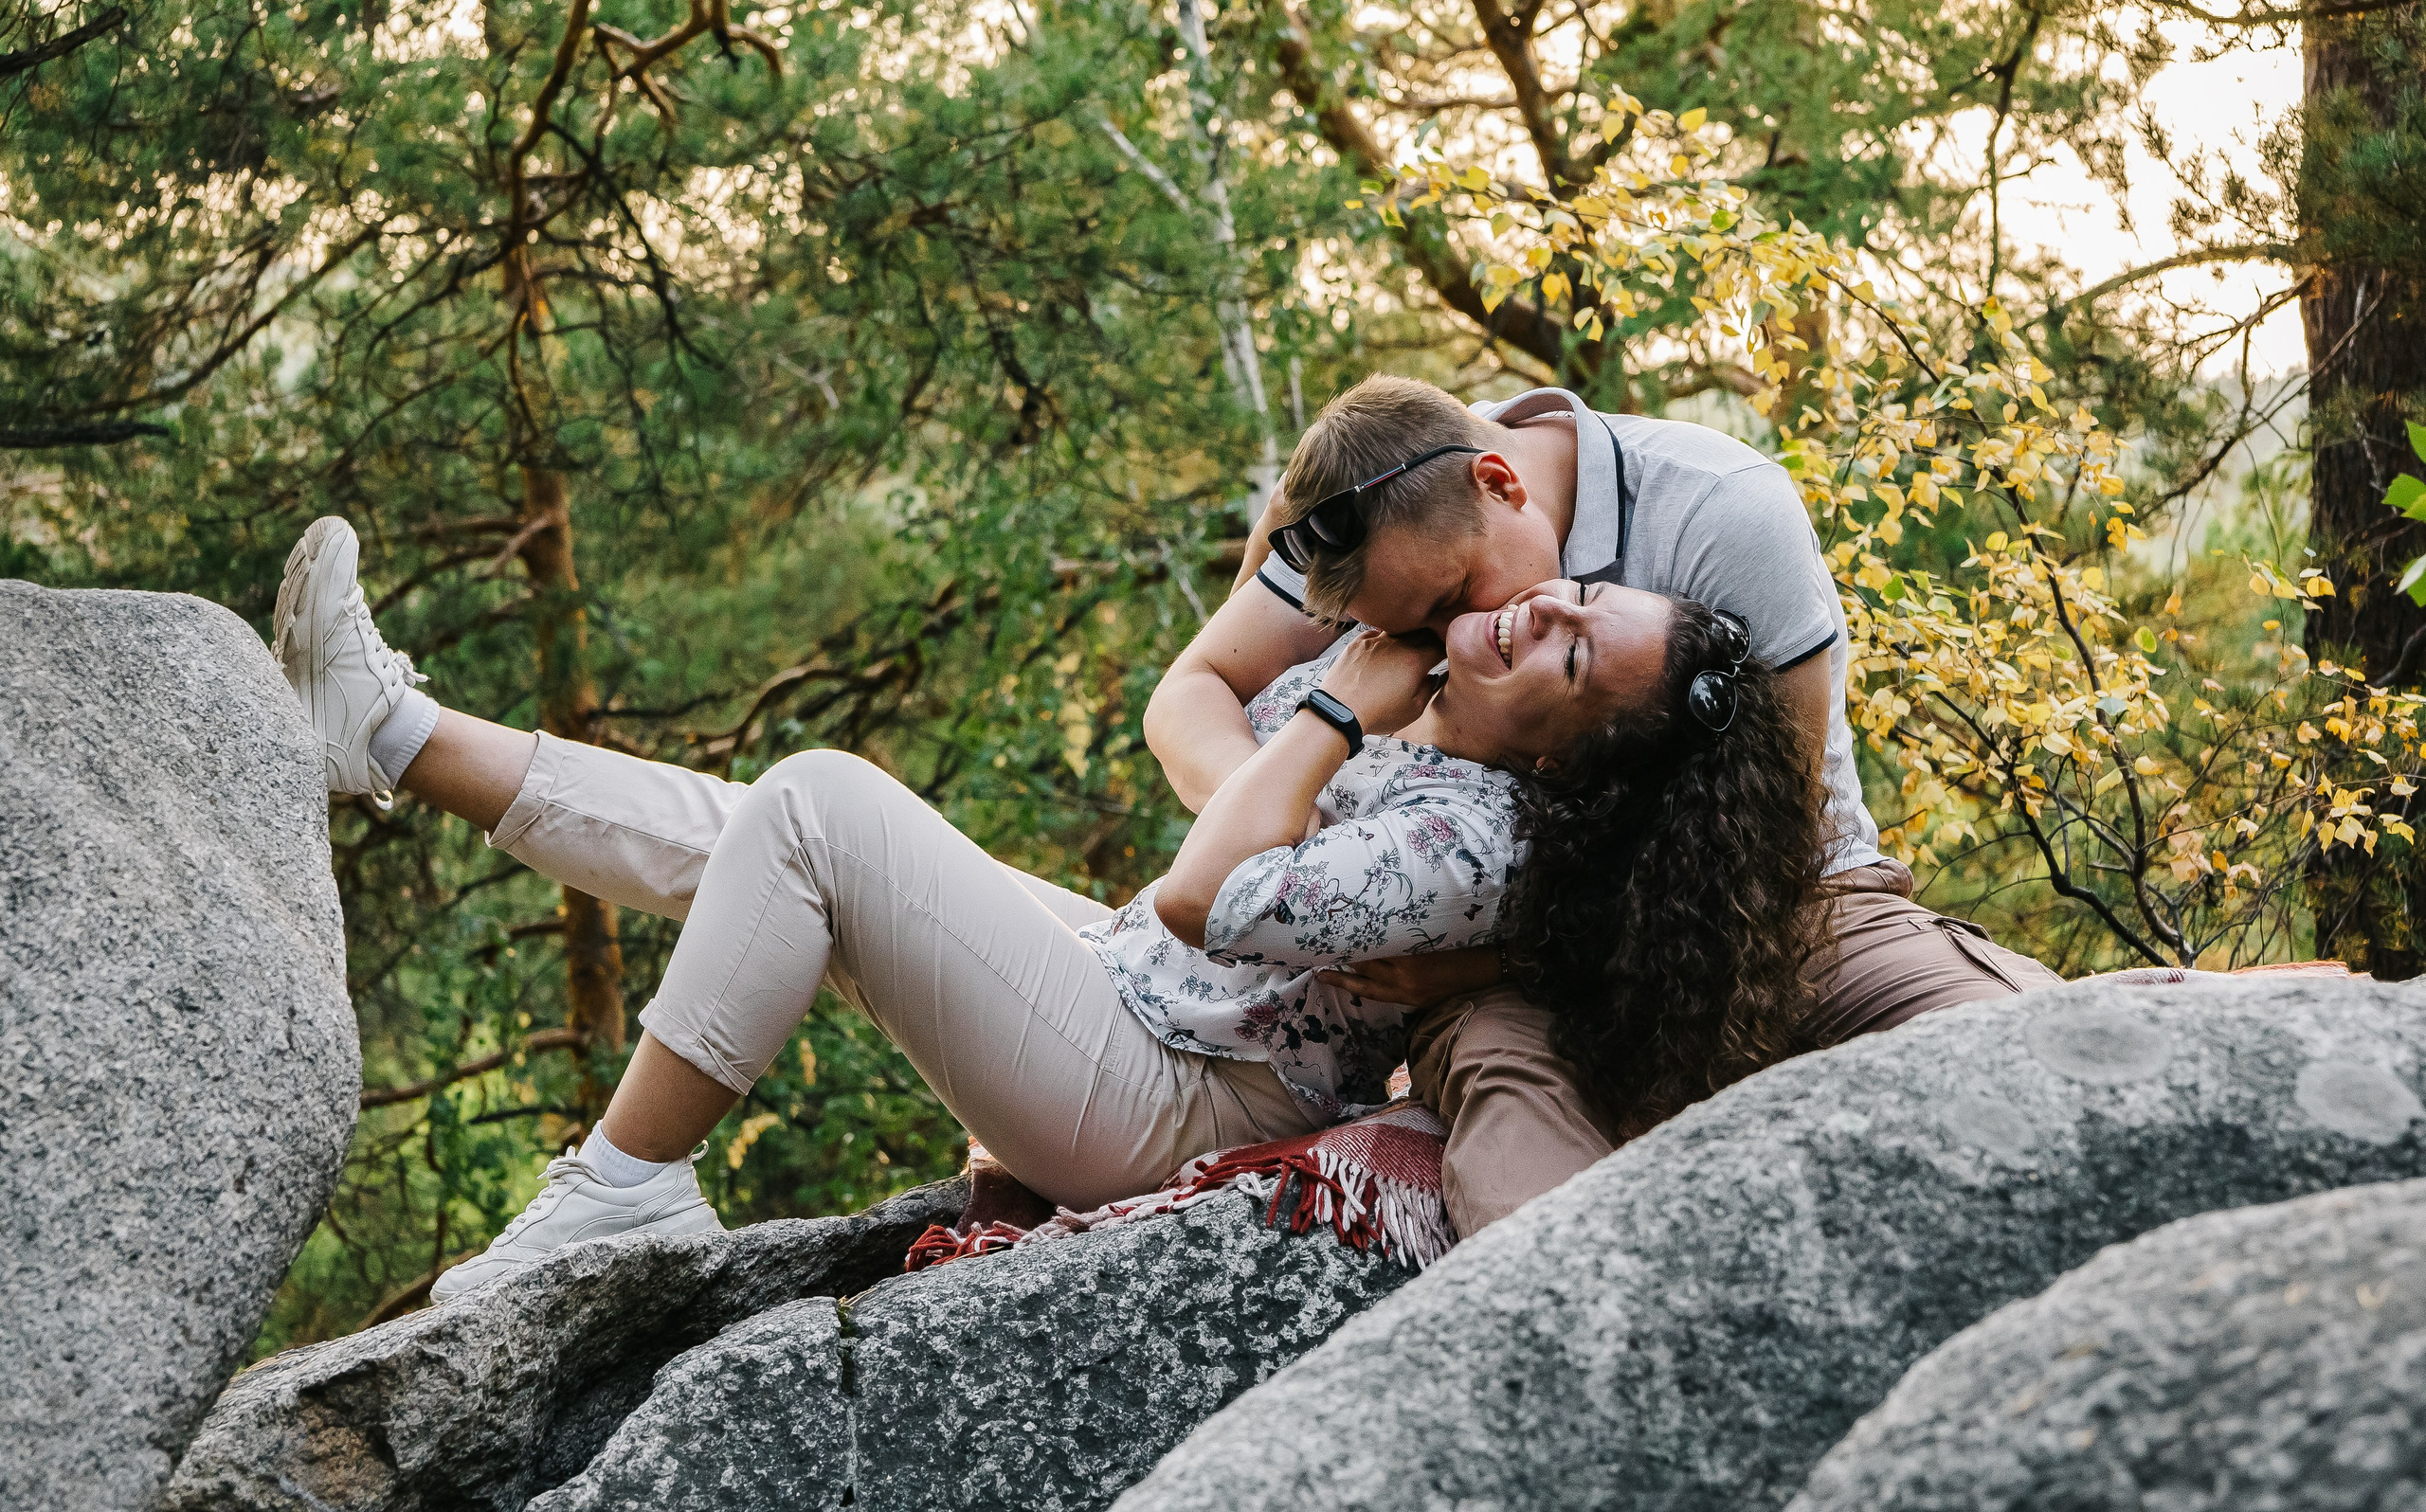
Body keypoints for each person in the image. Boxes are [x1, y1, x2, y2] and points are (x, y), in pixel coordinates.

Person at [271, 513, 1814, 1302]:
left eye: (1568, 655)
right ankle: (390, 736)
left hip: (1169, 1091)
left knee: (817, 802)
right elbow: (1236, 734)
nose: (1545, 612)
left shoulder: (1475, 846)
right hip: (1144, 997)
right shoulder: (1446, 727)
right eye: (1583, 595)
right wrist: (1383, 654)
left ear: (1579, 761)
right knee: (762, 833)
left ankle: (622, 1188)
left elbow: (1208, 891)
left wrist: (1338, 721)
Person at [1147, 374, 2059, 1237]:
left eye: (1455, 600)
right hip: (1479, 963)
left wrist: (1512, 955)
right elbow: (1193, 691)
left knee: (2008, 1052)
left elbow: (1771, 841)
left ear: (1501, 483)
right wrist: (1298, 845)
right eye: (1408, 633)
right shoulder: (1373, 520)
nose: (1452, 642)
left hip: (1793, 905)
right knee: (1520, 1149)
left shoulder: (1718, 510)